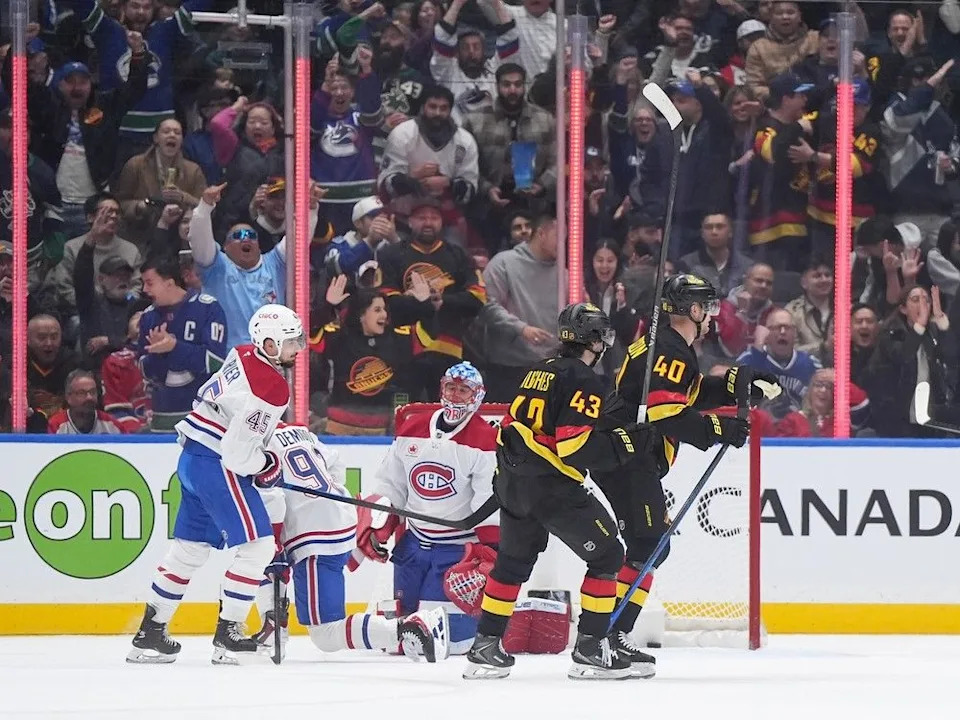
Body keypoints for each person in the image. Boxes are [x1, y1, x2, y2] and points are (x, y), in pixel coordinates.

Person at [595, 274, 778, 677]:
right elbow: (668, 415)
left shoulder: (669, 346)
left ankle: (610, 633)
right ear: (691, 310)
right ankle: (602, 637)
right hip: (628, 456)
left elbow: (686, 395)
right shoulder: (670, 350)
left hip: (626, 452)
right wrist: (720, 430)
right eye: (707, 307)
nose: (712, 316)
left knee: (651, 545)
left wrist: (736, 385)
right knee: (648, 543)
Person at [464, 303, 657, 681]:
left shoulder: (537, 370)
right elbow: (574, 446)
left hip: (513, 484)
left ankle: (485, 647)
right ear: (595, 340)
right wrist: (625, 444)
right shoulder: (584, 379)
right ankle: (591, 649)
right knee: (609, 555)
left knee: (512, 563)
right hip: (551, 487)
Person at [127, 304, 307, 665]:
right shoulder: (271, 387)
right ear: (270, 344)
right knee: (258, 547)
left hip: (192, 459)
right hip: (217, 464)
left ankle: (150, 632)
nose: (299, 348)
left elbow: (229, 414)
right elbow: (239, 456)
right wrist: (266, 463)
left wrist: (258, 455)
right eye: (292, 341)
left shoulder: (242, 353)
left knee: (189, 550)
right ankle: (230, 632)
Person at [252, 424, 449, 663]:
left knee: (325, 634)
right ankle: (274, 625)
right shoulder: (300, 431)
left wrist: (280, 536)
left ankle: (410, 627)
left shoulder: (251, 443)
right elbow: (337, 467)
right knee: (259, 555)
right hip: (341, 519)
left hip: (313, 535)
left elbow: (269, 502)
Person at [355, 362, 498, 656]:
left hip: (456, 553)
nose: (456, 395)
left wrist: (490, 553)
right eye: (451, 388)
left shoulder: (485, 439)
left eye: (464, 390)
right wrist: (380, 525)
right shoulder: (413, 428)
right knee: (399, 634)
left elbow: (488, 502)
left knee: (446, 640)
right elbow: (391, 485)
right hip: (413, 547)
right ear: (441, 389)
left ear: (478, 395)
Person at [137, 255, 228, 433]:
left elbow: (216, 362)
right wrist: (159, 354)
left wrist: (174, 347)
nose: (144, 289)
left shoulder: (208, 308)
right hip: (162, 418)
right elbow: (144, 369)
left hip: (204, 417)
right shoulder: (148, 317)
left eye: (149, 283)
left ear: (169, 283)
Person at [47, 369, 125, 434]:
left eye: (93, 392)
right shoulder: (56, 425)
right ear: (68, 397)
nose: (89, 397)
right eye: (82, 393)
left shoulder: (111, 425)